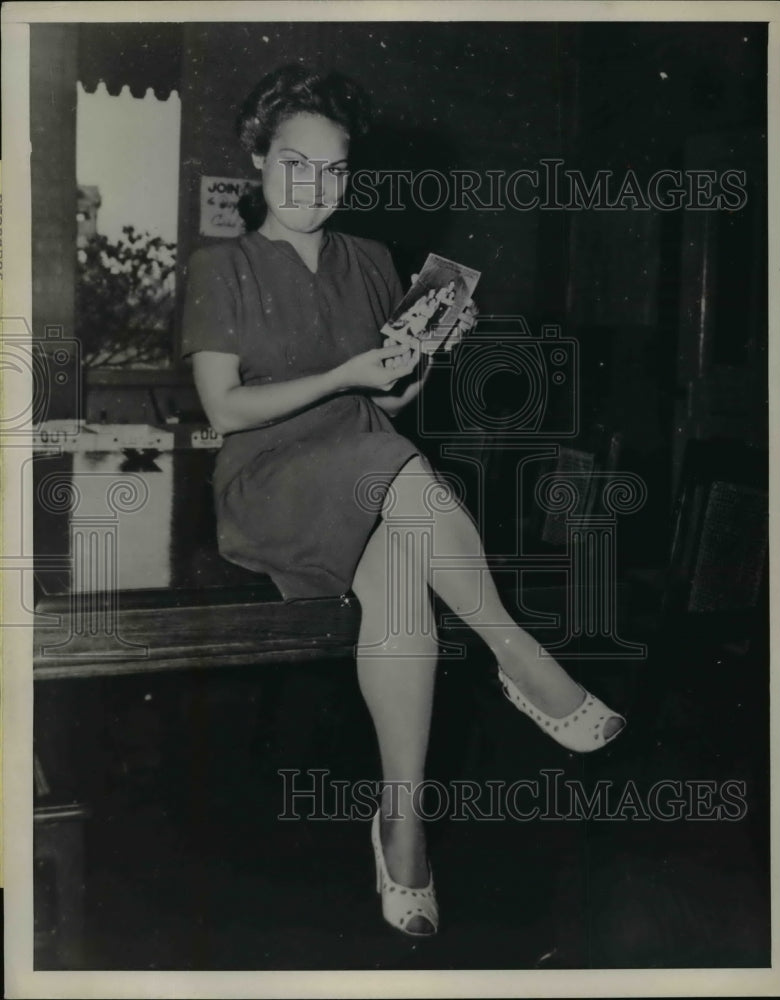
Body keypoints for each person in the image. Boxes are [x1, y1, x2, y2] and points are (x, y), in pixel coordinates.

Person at [181, 64, 625, 939]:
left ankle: (402, 826)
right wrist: (345, 376)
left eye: (334, 170)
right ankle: (517, 653)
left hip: (368, 470)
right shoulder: (220, 265)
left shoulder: (371, 259)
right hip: (268, 480)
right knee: (398, 470)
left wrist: (425, 355)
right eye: (295, 164)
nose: (315, 187)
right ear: (259, 161)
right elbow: (223, 409)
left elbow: (386, 405)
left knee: (402, 598)